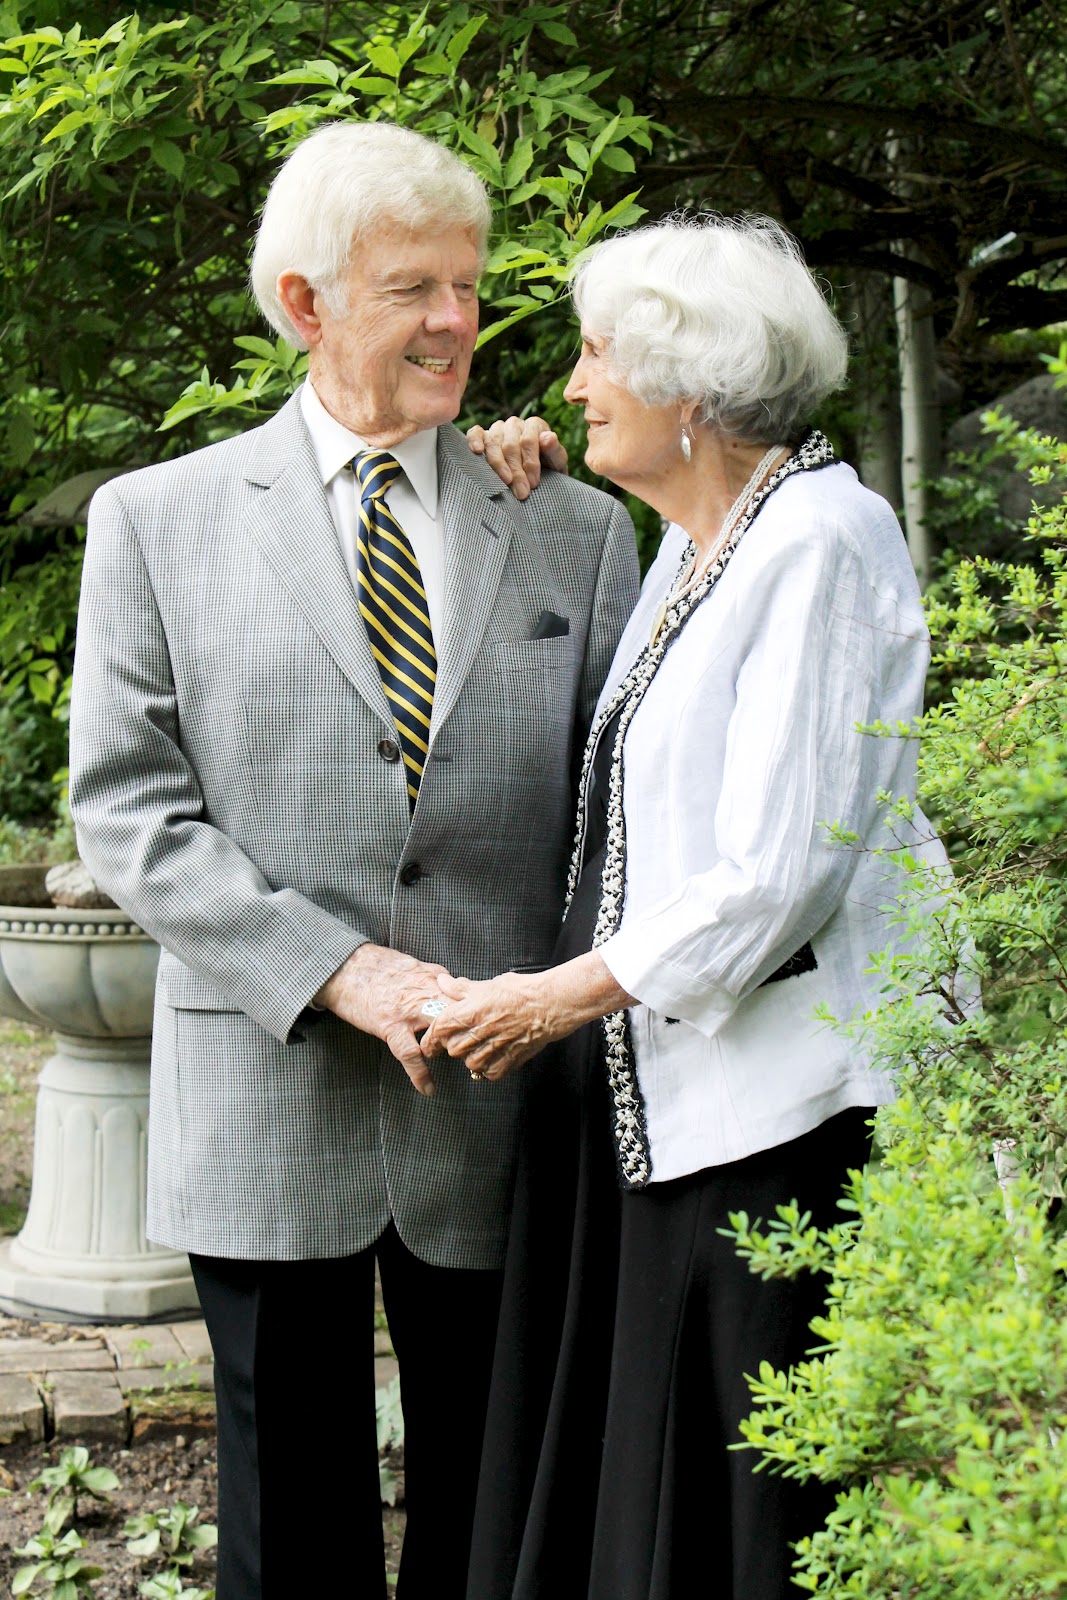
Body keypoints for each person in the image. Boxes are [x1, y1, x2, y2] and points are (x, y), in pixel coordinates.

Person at [67, 120, 639, 1600]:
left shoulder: (572, 528)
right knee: (289, 1536)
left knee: (495, 1526)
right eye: (412, 289)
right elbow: (128, 814)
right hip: (264, 1095)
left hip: (505, 1106)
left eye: (468, 285)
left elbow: (617, 815)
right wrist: (341, 971)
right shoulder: (156, 522)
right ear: (305, 303)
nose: (456, 320)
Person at [424, 215, 953, 1600]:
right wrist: (511, 481)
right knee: (650, 1495)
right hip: (658, 1099)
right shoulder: (696, 545)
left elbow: (778, 870)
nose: (573, 383)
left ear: (691, 388)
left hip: (774, 1115)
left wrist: (554, 998)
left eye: (599, 355)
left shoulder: (820, 539)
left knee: (743, 1510)